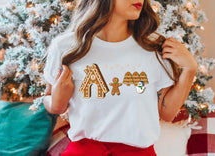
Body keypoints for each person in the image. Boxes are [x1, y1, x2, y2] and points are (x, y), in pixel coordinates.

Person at [43, 0, 198, 155]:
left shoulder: (153, 48)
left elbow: (167, 114)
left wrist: (190, 70)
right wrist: (57, 102)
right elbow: (49, 99)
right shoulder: (66, 46)